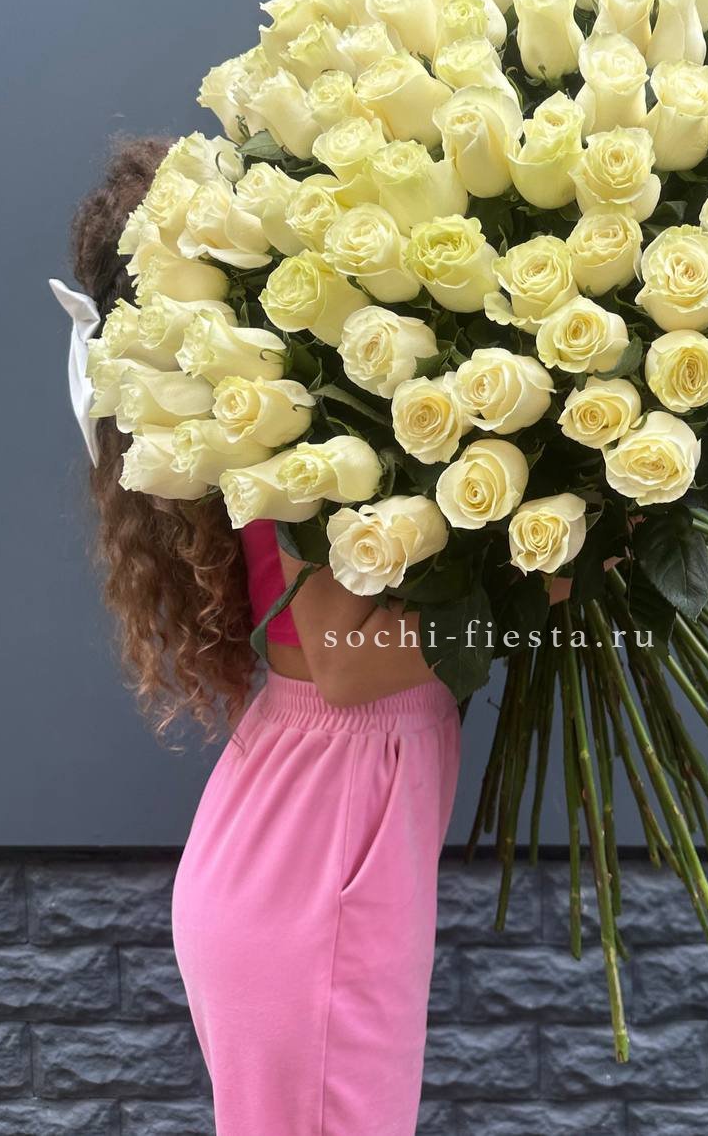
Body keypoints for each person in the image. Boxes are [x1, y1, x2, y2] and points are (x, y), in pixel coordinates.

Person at [67, 139, 461, 1136]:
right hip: (314, 869)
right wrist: (555, 589)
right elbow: (344, 665)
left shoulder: (293, 407)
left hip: (299, 847)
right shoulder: (290, 427)